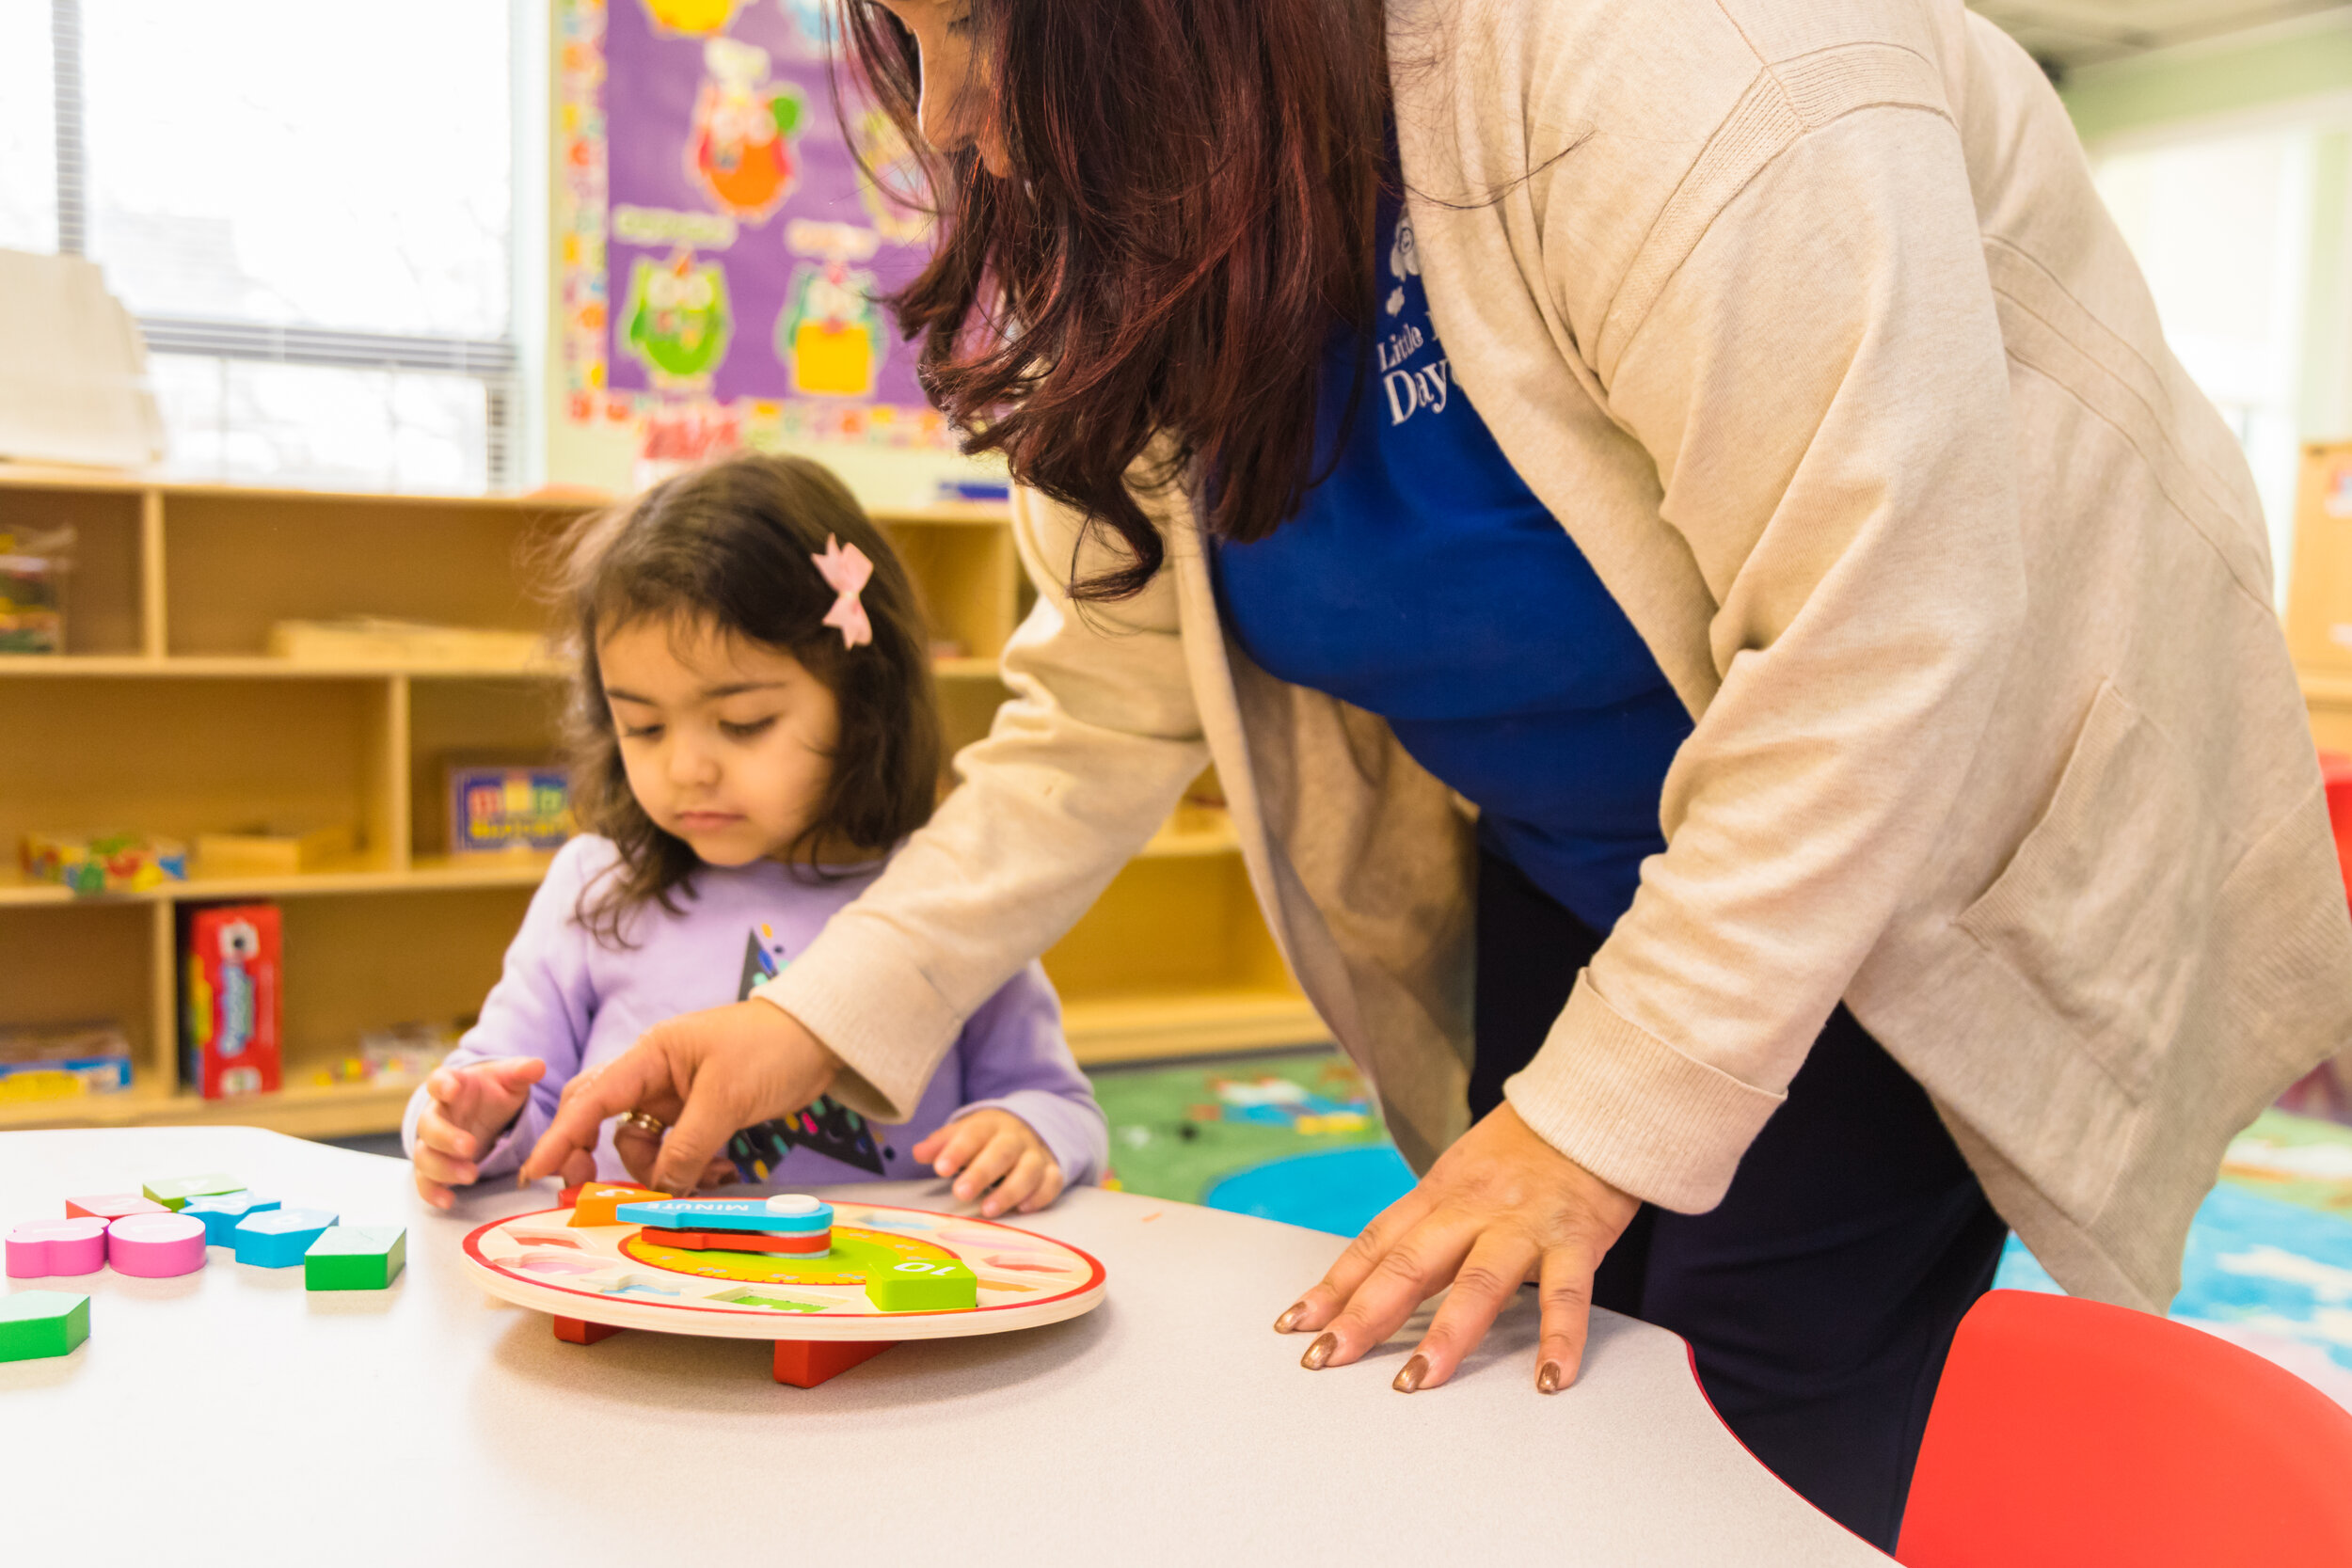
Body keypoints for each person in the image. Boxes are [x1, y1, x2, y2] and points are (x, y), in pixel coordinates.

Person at [522, 0, 2352, 1546]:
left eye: (985, 23)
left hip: (1893, 837)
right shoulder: (1139, 192)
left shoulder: (1667, 62)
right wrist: (823, 1017)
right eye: (904, 37)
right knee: (1527, 1367)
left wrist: (1580, 1126)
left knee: (1740, 1430)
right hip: (1579, 858)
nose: (956, 117)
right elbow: (1100, 698)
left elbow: (1890, 641)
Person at [409, 454, 1104, 1218]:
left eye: (743, 724)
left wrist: (1024, 1130)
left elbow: (1058, 1102)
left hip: (880, 1304)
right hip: (646, 1294)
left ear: (861, 703)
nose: (685, 768)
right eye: (641, 724)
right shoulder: (592, 883)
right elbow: (511, 1084)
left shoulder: (943, 894)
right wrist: (468, 1120)